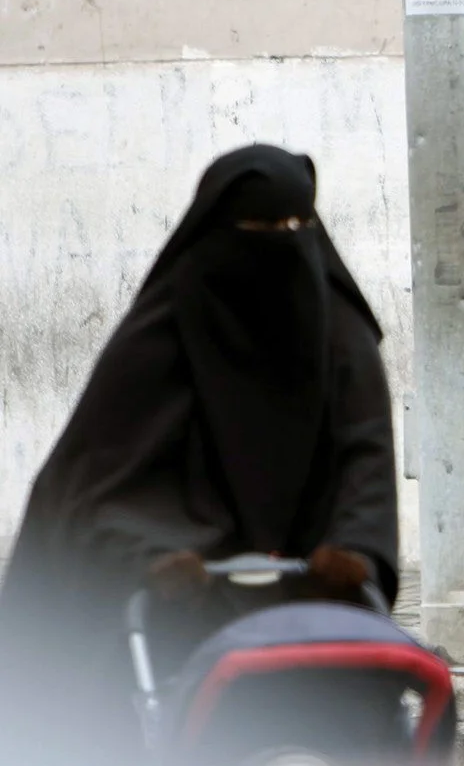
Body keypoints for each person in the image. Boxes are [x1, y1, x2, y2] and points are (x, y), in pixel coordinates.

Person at [0, 144, 399, 766]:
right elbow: (98, 484)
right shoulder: (160, 335)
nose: (280, 246)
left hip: (312, 604)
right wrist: (157, 555)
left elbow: (366, 459)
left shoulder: (341, 334)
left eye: (296, 229)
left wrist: (353, 553)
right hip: (177, 604)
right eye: (258, 231)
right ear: (217, 235)